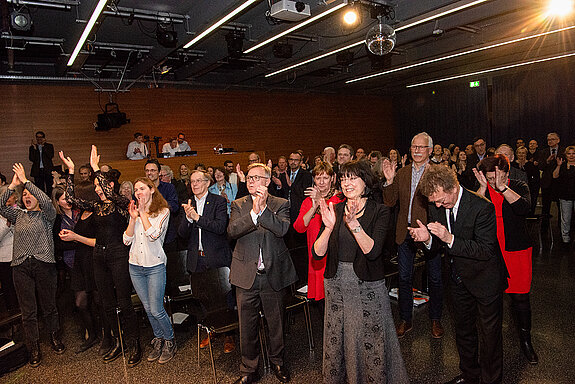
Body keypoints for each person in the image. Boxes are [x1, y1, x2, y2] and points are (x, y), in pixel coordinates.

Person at [312, 160, 408, 384]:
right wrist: (327, 228)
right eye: (343, 178)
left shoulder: (379, 211)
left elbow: (373, 251)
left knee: (370, 340)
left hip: (366, 287)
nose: (346, 183)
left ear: (365, 181)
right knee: (338, 339)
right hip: (336, 284)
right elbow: (317, 254)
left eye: (352, 178)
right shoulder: (334, 208)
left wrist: (354, 224)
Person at [409, 165, 506, 384]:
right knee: (463, 331)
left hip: (485, 280)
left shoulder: (482, 207)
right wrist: (427, 239)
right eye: (433, 201)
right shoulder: (437, 205)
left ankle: (491, 380)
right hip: (457, 278)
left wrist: (448, 238)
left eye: (440, 199)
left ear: (452, 188)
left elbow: (485, 250)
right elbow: (435, 248)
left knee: (490, 336)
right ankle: (470, 375)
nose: (436, 205)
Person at [60, 146, 141, 366]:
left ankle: (134, 344)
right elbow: (69, 198)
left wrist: (96, 168)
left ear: (108, 184)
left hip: (118, 255)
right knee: (107, 304)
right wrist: (70, 171)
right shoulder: (95, 207)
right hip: (99, 256)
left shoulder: (122, 204)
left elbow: (108, 191)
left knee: (124, 303)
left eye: (98, 185)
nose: (97, 189)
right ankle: (118, 342)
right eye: (95, 186)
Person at [228, 163, 297, 384]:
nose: (250, 181)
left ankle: (278, 361)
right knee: (246, 326)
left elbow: (283, 229)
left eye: (255, 178)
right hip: (245, 276)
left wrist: (264, 211)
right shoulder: (239, 205)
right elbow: (233, 231)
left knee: (276, 323)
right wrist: (253, 213)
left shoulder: (281, 204)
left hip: (272, 275)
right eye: (248, 178)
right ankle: (249, 368)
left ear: (267, 182)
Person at [474, 155, 538, 364]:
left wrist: (502, 188)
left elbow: (524, 208)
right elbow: (471, 215)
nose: (493, 182)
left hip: (516, 250)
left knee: (520, 298)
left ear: (506, 173)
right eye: (490, 178)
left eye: (497, 177)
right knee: (492, 301)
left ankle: (526, 341)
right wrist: (483, 189)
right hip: (492, 252)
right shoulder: (484, 188)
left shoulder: (518, 186)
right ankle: (492, 346)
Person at [0, 163, 65, 367]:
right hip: (20, 267)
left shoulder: (47, 215)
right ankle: (34, 347)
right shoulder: (18, 215)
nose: (27, 197)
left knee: (49, 307)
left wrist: (27, 181)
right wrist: (13, 185)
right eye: (25, 195)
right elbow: (1, 206)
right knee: (28, 311)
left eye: (30, 194)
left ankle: (55, 338)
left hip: (43, 264)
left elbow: (46, 200)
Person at [382, 132, 444, 338]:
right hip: (405, 231)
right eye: (413, 147)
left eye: (421, 147)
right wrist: (390, 180)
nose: (416, 150)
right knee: (405, 278)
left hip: (430, 232)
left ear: (430, 150)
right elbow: (390, 202)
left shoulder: (438, 172)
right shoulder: (402, 173)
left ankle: (436, 320)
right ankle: (405, 319)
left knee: (435, 278)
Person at [179, 170, 234, 354]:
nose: (194, 185)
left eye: (197, 181)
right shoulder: (189, 204)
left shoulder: (218, 201)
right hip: (197, 258)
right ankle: (211, 331)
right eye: (191, 182)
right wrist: (188, 218)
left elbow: (220, 228)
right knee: (203, 296)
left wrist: (197, 218)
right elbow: (182, 234)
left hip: (217, 257)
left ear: (206, 183)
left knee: (225, 296)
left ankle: (229, 334)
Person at [124, 177, 176, 364]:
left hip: (154, 266)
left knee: (156, 308)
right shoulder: (135, 212)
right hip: (135, 266)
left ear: (152, 190)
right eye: (136, 190)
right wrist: (132, 219)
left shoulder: (163, 211)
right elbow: (126, 240)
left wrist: (143, 213)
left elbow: (153, 235)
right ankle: (159, 338)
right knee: (147, 308)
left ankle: (169, 340)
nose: (138, 193)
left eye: (142, 189)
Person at [55, 182, 102, 354]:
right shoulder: (79, 214)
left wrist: (75, 237)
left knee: (99, 301)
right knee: (80, 302)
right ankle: (92, 334)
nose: (73, 200)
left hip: (93, 262)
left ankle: (106, 334)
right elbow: (59, 243)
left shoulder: (96, 214)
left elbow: (99, 241)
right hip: (77, 264)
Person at [293, 162, 342, 312]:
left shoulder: (338, 198)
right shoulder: (309, 201)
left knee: (335, 299)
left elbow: (331, 219)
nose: (321, 182)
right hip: (315, 256)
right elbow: (299, 227)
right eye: (318, 178)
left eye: (325, 178)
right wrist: (313, 206)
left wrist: (320, 200)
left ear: (332, 179)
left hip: (333, 255)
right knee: (321, 303)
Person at [0, 185, 18, 310]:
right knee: (8, 288)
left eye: (10, 195)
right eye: (4, 196)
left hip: (19, 255)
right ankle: (13, 315)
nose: (8, 198)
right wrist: (7, 226)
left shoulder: (21, 211)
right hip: (4, 258)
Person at [553, 145, 575, 245]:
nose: (571, 155)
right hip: (565, 196)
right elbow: (555, 176)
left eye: (573, 153)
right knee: (566, 218)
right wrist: (558, 165)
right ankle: (565, 237)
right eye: (569, 153)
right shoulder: (561, 165)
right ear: (566, 155)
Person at [538, 132, 562, 221]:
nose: (550, 141)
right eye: (548, 140)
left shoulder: (564, 151)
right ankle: (544, 227)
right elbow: (540, 167)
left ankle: (561, 225)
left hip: (560, 182)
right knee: (546, 205)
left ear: (558, 140)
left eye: (552, 139)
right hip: (546, 183)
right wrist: (547, 161)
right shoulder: (543, 152)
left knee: (560, 205)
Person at [515, 146, 540, 215]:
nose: (521, 155)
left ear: (526, 154)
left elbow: (536, 179)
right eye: (519, 153)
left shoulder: (531, 165)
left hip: (529, 190)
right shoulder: (513, 165)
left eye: (523, 153)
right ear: (516, 154)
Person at [29, 131, 55, 195]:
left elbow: (50, 156)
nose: (39, 139)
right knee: (39, 187)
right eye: (37, 137)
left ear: (44, 138)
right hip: (37, 170)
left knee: (49, 187)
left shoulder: (49, 146)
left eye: (41, 137)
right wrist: (35, 149)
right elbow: (32, 159)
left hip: (47, 170)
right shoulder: (33, 147)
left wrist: (43, 146)